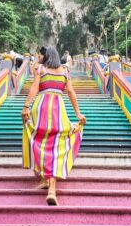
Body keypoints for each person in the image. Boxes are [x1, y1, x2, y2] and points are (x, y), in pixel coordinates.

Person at [21, 45, 85, 206]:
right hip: (58, 109)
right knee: (56, 145)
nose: (39, 57)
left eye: (40, 55)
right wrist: (78, 114)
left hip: (41, 107)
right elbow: (70, 92)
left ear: (47, 56)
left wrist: (26, 106)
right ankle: (48, 185)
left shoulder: (40, 69)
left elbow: (35, 87)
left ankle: (49, 185)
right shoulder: (65, 71)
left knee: (39, 141)